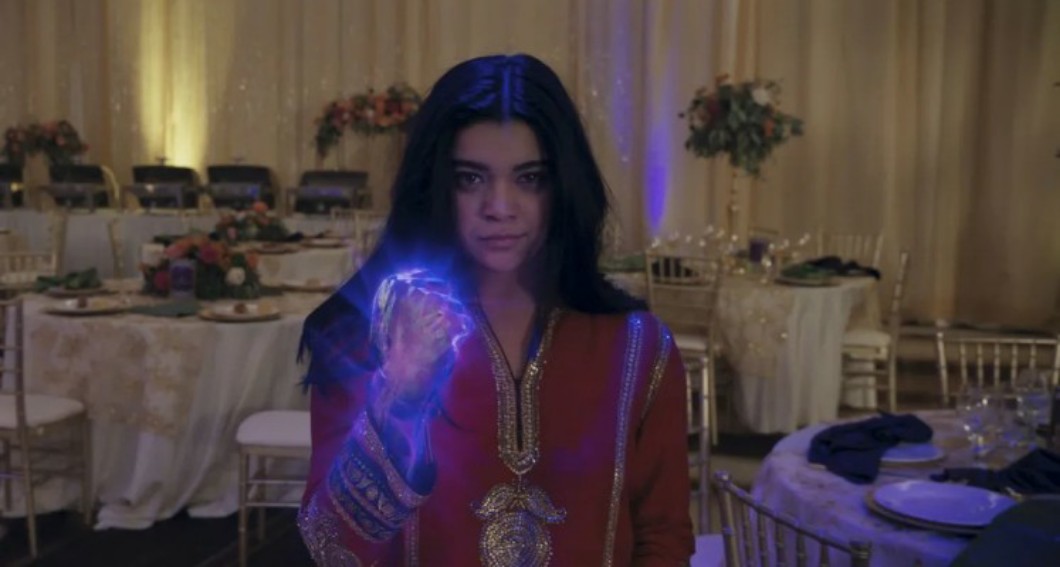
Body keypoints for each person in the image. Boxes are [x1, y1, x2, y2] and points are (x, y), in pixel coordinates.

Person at [298, 53, 694, 566]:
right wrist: (398, 400)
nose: (500, 207)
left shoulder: (638, 348)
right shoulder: (366, 335)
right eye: (470, 178)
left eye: (529, 178)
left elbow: (664, 538)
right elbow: (329, 549)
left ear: (565, 185)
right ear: (434, 185)